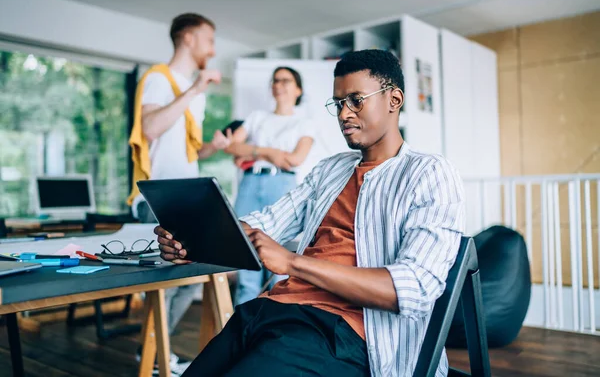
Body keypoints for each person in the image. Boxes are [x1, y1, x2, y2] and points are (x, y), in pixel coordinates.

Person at [157, 49, 465, 377]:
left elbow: (414, 288)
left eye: (356, 100)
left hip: (338, 332)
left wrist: (292, 263)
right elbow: (268, 221)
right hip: (265, 312)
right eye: (338, 103)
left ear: (394, 99)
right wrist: (194, 236)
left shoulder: (429, 172)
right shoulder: (331, 170)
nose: (344, 113)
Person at [127, 13, 230, 376]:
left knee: (196, 273)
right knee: (171, 280)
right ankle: (153, 357)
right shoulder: (159, 79)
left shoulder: (189, 89)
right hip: (158, 199)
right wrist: (193, 91)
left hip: (183, 198)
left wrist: (211, 148)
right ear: (188, 38)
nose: (213, 50)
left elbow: (185, 149)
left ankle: (156, 353)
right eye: (209, 40)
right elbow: (151, 128)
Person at [223, 66, 315, 306]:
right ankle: (240, 327)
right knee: (244, 252)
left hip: (283, 183)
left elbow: (295, 159)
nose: (279, 84)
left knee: (279, 265)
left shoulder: (305, 123)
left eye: (286, 80)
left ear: (298, 89)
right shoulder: (257, 117)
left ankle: (272, 326)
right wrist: (270, 152)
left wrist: (252, 151)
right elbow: (232, 147)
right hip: (251, 183)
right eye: (275, 80)